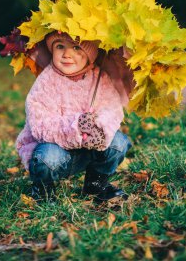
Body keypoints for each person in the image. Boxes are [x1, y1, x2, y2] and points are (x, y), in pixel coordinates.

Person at [16, 31, 131, 202]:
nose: (67, 54)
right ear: (52, 50)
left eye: (77, 47)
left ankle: (95, 183)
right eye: (60, 46)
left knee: (119, 143)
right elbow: (40, 124)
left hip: (89, 151)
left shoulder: (99, 78)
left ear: (89, 55)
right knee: (46, 157)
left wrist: (98, 127)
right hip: (56, 152)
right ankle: (43, 190)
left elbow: (113, 110)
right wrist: (77, 126)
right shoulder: (46, 81)